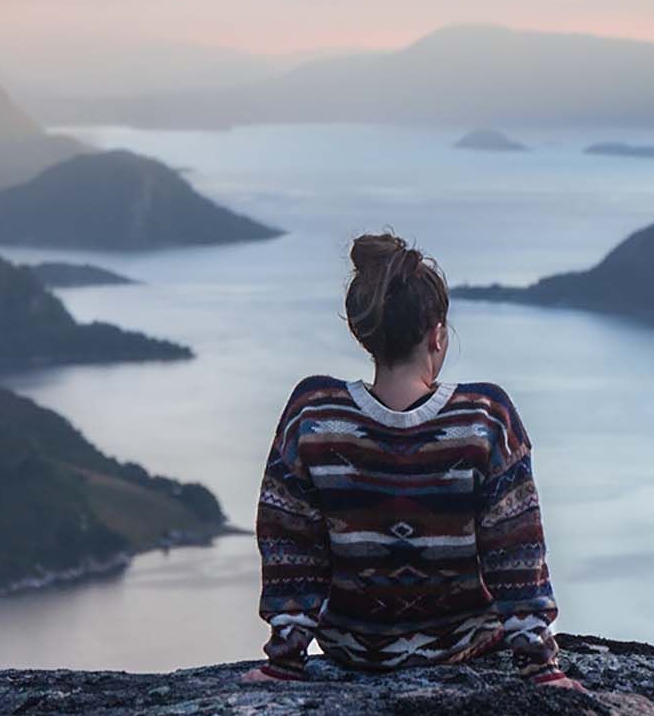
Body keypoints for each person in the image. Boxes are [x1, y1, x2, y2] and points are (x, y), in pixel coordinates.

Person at [248, 233, 578, 688]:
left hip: (351, 650)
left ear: (363, 333)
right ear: (438, 335)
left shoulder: (314, 413)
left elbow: (290, 545)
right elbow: (516, 552)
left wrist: (283, 662)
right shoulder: (485, 418)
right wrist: (542, 670)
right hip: (461, 649)